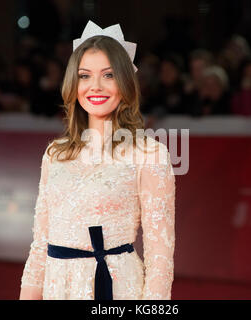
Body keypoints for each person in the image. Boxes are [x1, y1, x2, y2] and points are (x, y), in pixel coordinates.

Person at [19, 20, 176, 300]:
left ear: (126, 81)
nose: (95, 86)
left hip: (117, 289)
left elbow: (160, 254)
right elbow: (40, 244)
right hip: (58, 289)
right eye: (85, 75)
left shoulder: (149, 154)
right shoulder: (55, 154)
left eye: (108, 75)